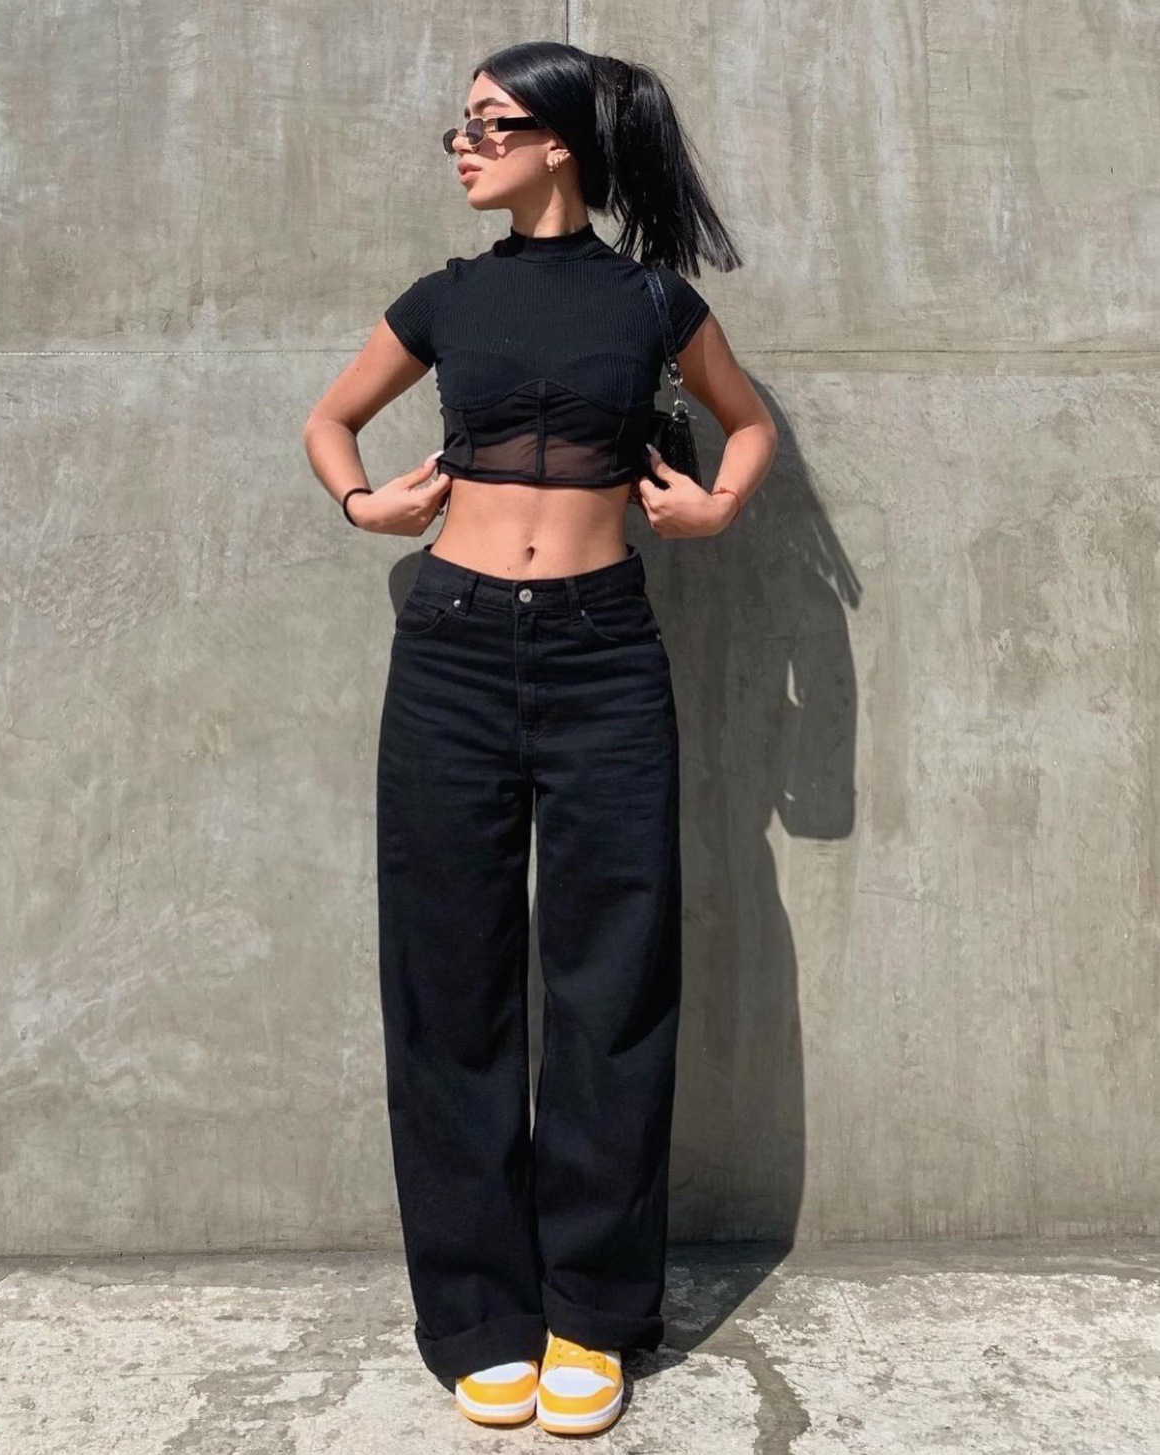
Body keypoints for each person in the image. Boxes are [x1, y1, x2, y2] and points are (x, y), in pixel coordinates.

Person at [303, 39, 777, 1436]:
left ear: (558, 142)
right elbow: (332, 419)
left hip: (603, 653)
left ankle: (593, 1312)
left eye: (487, 125)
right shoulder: (444, 300)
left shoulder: (650, 302)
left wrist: (715, 505)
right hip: (450, 652)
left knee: (609, 984)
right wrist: (364, 504)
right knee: (449, 980)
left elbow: (745, 424)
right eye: (459, 126)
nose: (461, 146)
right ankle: (476, 1313)